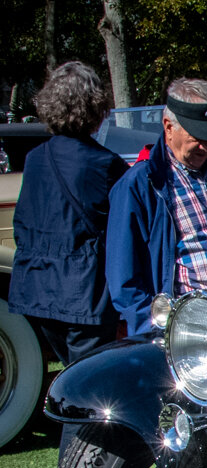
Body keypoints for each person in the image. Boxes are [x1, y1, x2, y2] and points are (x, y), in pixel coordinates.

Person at [106, 78, 207, 335]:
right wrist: (158, 330)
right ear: (169, 127)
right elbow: (123, 279)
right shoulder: (140, 184)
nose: (206, 147)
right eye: (198, 137)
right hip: (190, 332)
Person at [9, 62, 128, 366]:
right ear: (95, 107)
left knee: (69, 375)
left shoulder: (35, 158)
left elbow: (22, 223)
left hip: (38, 289)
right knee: (88, 384)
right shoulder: (106, 165)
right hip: (84, 293)